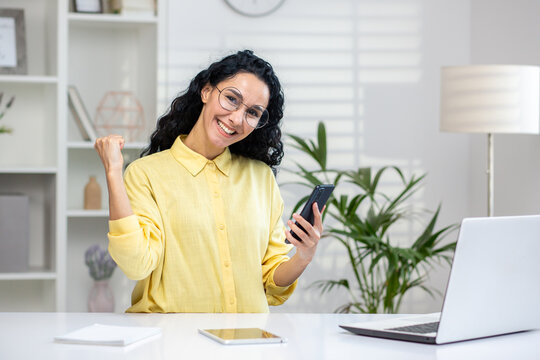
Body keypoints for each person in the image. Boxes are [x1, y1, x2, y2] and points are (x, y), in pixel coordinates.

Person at [94, 50, 324, 313]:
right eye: (231, 99)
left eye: (253, 112)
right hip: (171, 342)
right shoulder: (146, 174)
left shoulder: (261, 178)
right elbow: (136, 264)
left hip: (245, 343)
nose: (237, 118)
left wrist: (304, 257)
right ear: (206, 91)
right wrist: (113, 172)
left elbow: (271, 281)